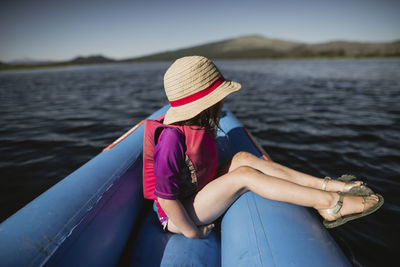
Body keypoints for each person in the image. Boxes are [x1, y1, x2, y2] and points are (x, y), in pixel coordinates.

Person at [142, 55, 384, 239]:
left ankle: (327, 184)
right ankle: (330, 203)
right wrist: (192, 232)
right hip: (177, 215)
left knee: (244, 158)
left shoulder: (198, 125)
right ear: (208, 103)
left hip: (194, 191)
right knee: (244, 176)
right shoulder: (171, 140)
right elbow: (165, 198)